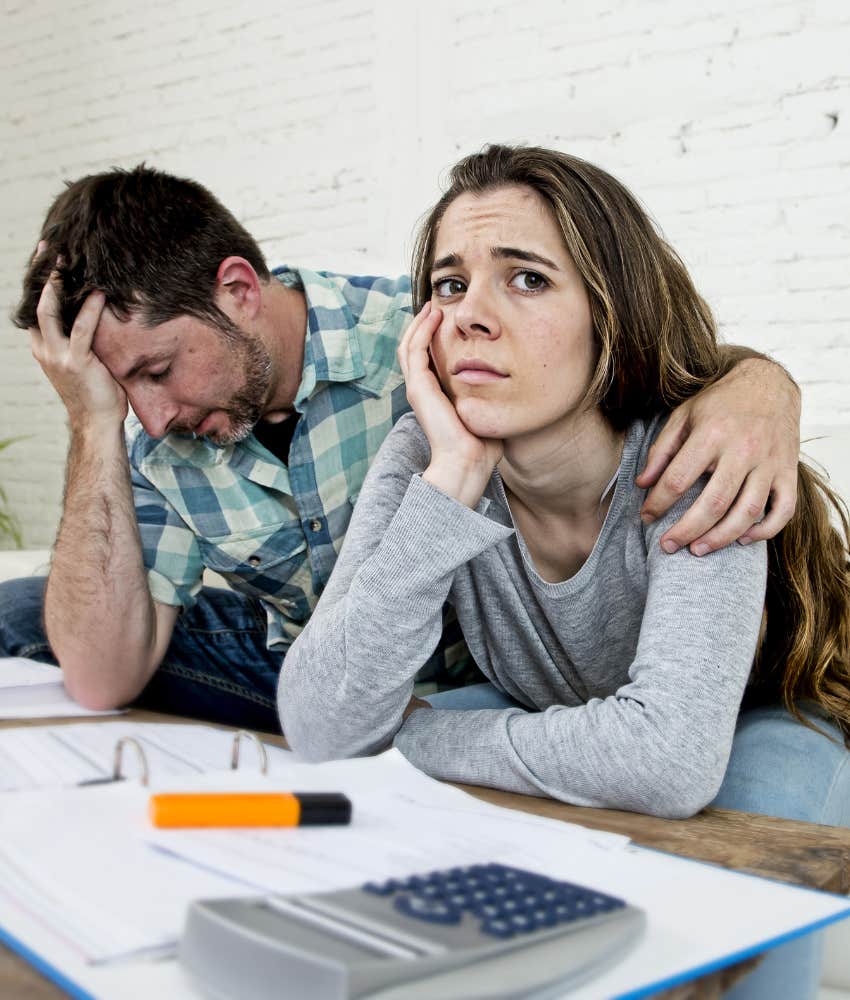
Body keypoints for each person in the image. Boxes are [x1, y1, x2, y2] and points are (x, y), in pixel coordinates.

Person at [279, 145, 850, 1000]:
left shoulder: (697, 453)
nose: (470, 313)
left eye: (529, 280)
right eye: (449, 284)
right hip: (566, 706)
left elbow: (667, 759)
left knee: (757, 846)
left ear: (609, 313)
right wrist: (452, 482)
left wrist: (414, 737)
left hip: (770, 710)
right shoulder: (425, 455)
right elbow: (321, 729)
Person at [2, 165, 800, 732]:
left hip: (464, 673)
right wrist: (91, 425)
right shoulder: (152, 437)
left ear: (239, 291)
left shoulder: (432, 342)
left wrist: (761, 382)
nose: (153, 413)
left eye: (158, 371)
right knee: (16, 613)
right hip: (307, 663)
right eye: (120, 392)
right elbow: (104, 678)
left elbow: (619, 353)